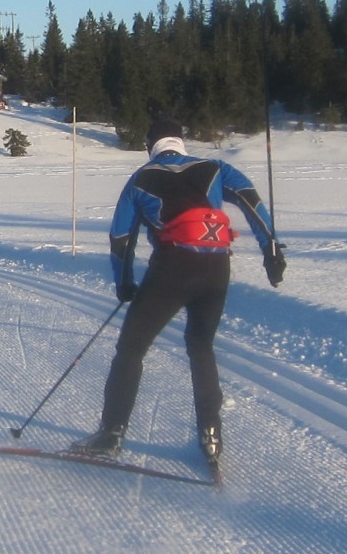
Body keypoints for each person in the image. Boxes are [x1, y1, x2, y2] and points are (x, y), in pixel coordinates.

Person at [72, 114, 286, 465]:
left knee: (131, 348)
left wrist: (124, 283)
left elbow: (121, 238)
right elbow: (251, 202)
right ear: (181, 141)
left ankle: (111, 434)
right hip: (217, 269)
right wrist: (271, 251)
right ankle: (211, 435)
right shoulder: (216, 168)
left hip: (172, 270)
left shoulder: (141, 178)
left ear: (149, 146)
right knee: (201, 347)